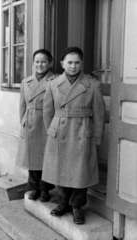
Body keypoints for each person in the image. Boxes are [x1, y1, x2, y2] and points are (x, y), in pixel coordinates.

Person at [42, 46, 105, 224]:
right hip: (59, 130)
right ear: (62, 64)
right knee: (59, 169)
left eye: (77, 62)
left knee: (80, 171)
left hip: (82, 132)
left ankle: (77, 206)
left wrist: (97, 137)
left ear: (82, 63)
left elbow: (99, 114)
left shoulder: (92, 84)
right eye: (69, 62)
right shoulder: (52, 84)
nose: (73, 66)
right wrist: (52, 131)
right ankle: (63, 203)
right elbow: (47, 112)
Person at [16, 49, 56, 202]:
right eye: (37, 61)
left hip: (47, 123)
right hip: (31, 123)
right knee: (32, 159)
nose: (40, 64)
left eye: (43, 61)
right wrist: (23, 121)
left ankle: (45, 189)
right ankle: (34, 188)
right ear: (33, 63)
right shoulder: (26, 82)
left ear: (50, 63)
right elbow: (22, 105)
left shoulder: (56, 80)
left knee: (47, 159)